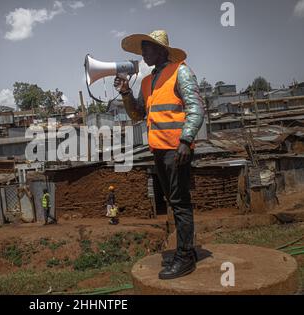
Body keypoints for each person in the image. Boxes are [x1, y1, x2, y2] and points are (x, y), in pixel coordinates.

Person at [115, 30, 204, 280]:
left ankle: (185, 257)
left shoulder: (181, 71)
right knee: (173, 202)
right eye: (143, 49)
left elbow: (196, 108)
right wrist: (125, 93)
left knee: (180, 202)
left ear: (163, 51)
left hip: (178, 150)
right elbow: (137, 115)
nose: (144, 53)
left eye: (148, 49)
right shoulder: (147, 81)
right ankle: (187, 250)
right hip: (159, 151)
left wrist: (186, 141)